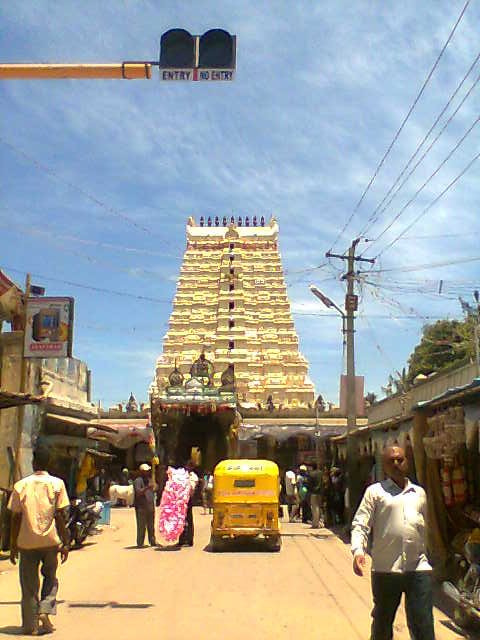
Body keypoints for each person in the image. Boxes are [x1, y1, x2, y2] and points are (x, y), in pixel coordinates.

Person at [351, 445, 434, 640]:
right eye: (391, 461)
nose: (396, 464)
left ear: (408, 462)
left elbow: (425, 526)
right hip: (386, 569)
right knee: (382, 623)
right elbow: (361, 523)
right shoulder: (375, 492)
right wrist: (358, 551)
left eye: (400, 459)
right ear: (384, 466)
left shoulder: (419, 493)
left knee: (423, 624)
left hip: (418, 567)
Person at [8, 445, 70, 635]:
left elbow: (15, 518)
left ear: (33, 463)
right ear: (50, 463)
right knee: (50, 578)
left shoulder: (21, 485)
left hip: (26, 542)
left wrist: (12, 546)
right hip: (50, 541)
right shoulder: (57, 484)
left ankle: (30, 626)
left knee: (28, 586)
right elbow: (60, 516)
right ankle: (45, 608)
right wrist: (65, 543)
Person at [133, 463, 156, 547]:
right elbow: (138, 492)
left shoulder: (149, 480)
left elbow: (153, 490)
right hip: (141, 507)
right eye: (145, 471)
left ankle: (152, 541)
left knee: (151, 525)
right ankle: (140, 543)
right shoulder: (137, 481)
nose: (147, 473)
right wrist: (147, 488)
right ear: (141, 472)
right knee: (141, 526)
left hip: (150, 506)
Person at [178, 461, 198, 547]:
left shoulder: (193, 476)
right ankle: (182, 539)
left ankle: (190, 540)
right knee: (181, 519)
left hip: (188, 499)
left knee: (189, 520)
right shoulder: (181, 475)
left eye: (189, 467)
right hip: (180, 499)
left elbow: (191, 487)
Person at [306, 463, 324, 528]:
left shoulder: (311, 474)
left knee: (314, 508)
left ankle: (315, 523)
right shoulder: (321, 473)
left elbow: (309, 484)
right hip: (320, 492)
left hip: (313, 492)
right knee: (320, 507)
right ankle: (321, 522)